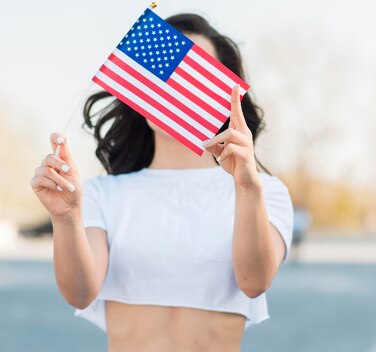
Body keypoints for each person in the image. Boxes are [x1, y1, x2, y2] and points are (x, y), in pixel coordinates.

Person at [29, 13, 294, 352]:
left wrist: (246, 189)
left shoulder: (263, 192)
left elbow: (255, 281)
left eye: (193, 76)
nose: (173, 86)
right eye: (164, 72)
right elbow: (80, 292)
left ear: (222, 96)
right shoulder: (102, 194)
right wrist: (65, 219)